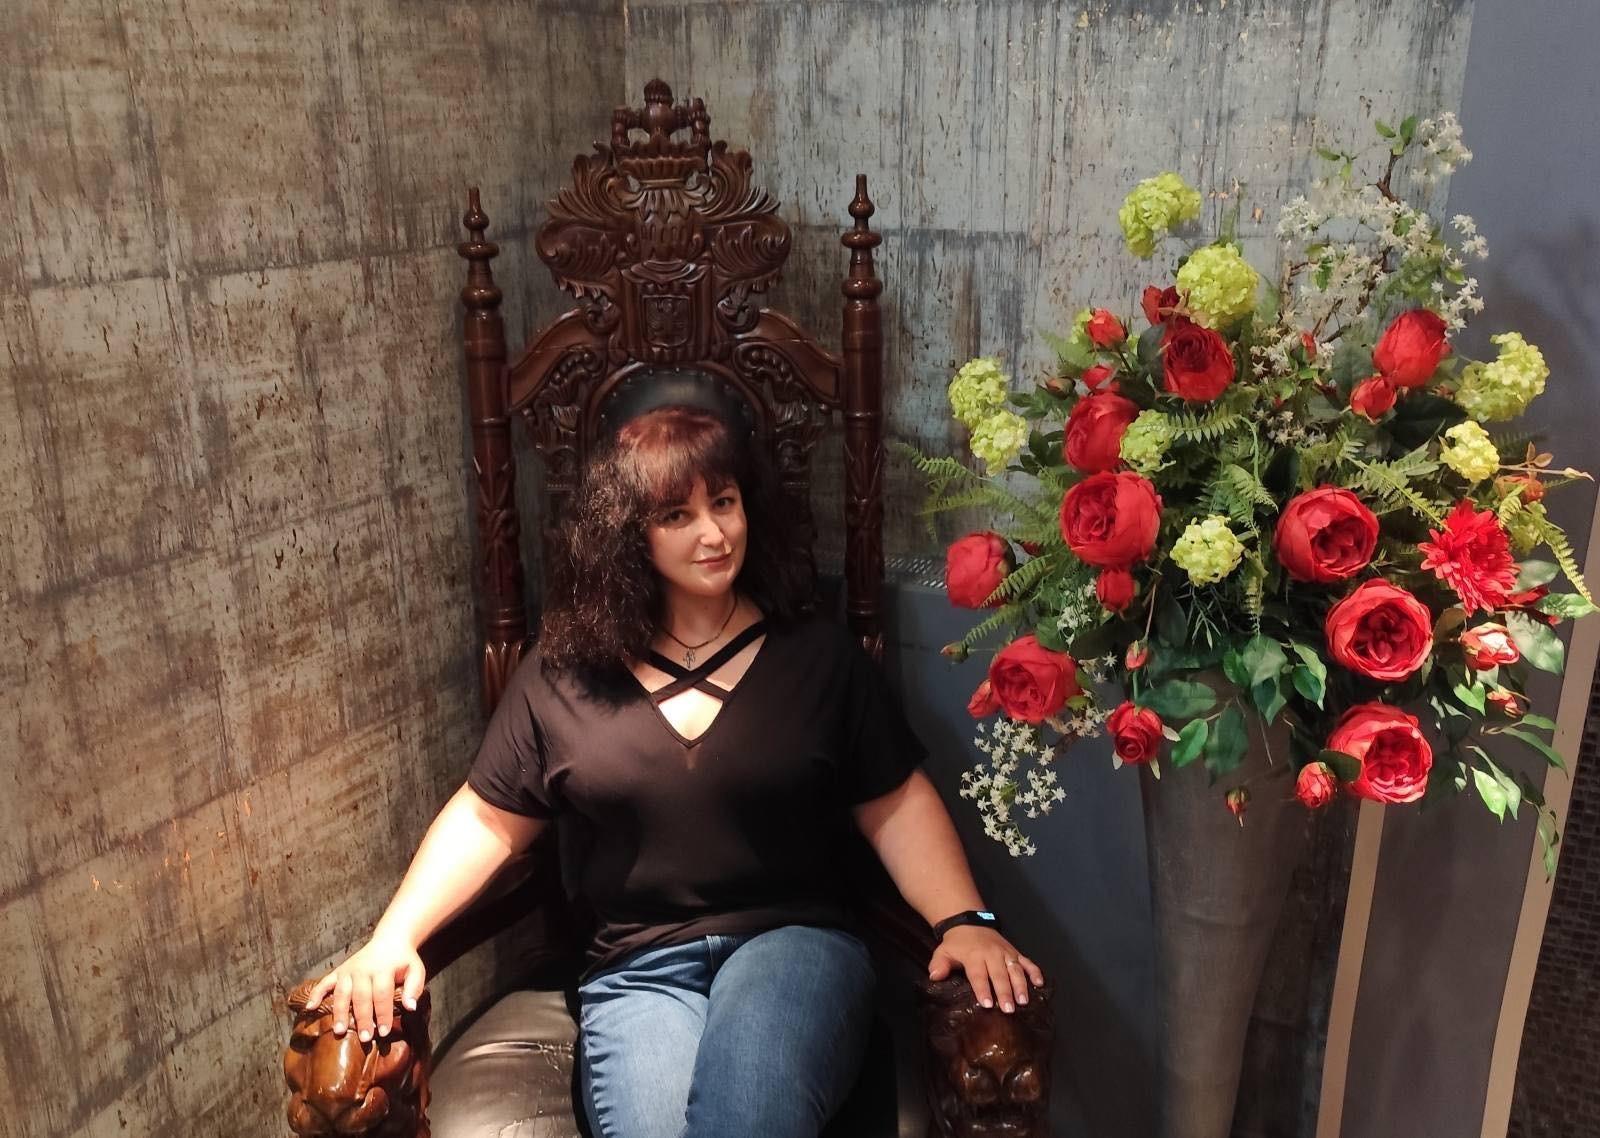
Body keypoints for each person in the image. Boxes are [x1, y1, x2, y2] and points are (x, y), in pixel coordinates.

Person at [306, 404, 1044, 1138]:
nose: (714, 534)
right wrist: (393, 936)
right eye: (676, 516)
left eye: (724, 502)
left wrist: (965, 920)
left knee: (746, 1121)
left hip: (794, 944)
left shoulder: (817, 657)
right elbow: (488, 817)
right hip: (638, 967)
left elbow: (895, 802)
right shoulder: (564, 673)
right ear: (629, 535)